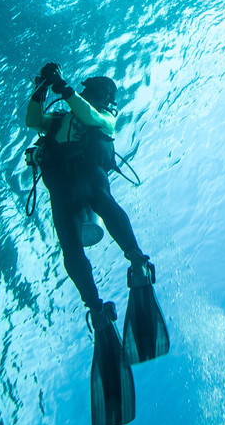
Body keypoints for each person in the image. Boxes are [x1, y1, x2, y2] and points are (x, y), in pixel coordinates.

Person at [25, 62, 148, 321]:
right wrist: (41, 90)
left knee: (102, 201)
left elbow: (89, 115)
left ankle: (136, 257)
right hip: (61, 188)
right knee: (69, 247)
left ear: (102, 97)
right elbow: (33, 120)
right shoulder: (59, 121)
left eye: (91, 92)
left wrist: (64, 88)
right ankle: (95, 306)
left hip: (88, 176)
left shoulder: (105, 119)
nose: (87, 96)